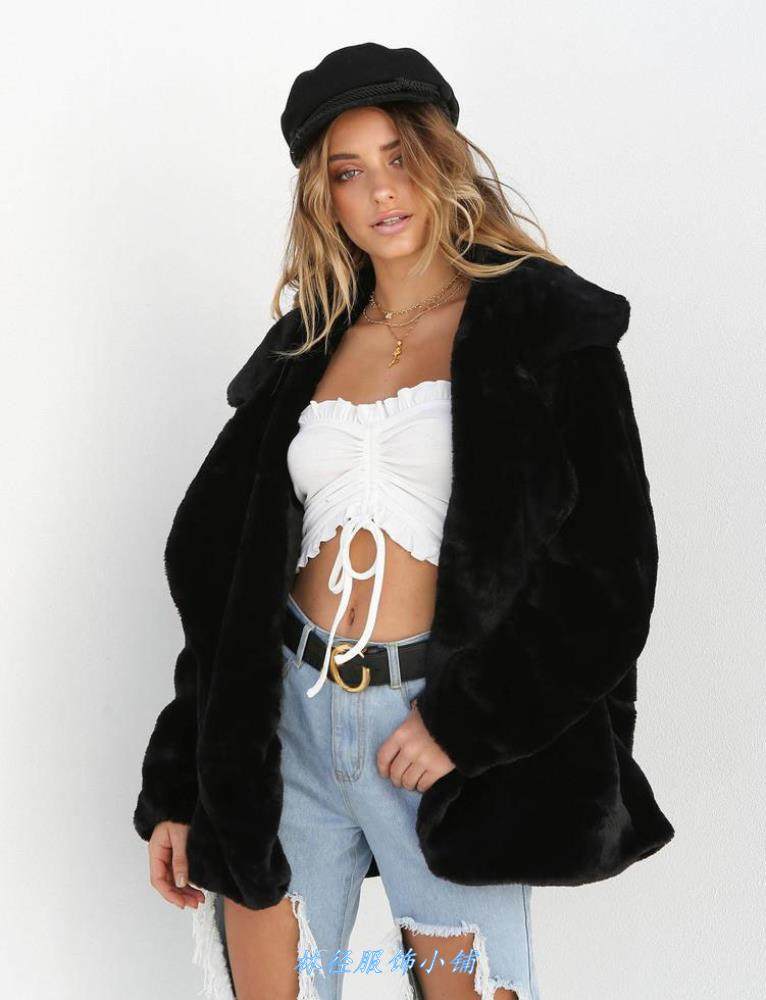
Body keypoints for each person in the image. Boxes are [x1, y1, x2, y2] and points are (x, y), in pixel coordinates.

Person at [134, 43, 674, 1000]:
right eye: (349, 172)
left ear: (442, 162)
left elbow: (609, 580)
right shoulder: (305, 345)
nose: (382, 190)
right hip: (284, 729)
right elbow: (223, 583)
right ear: (324, 198)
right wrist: (182, 781)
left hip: (437, 739)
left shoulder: (547, 328)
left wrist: (464, 725)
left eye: (400, 158)